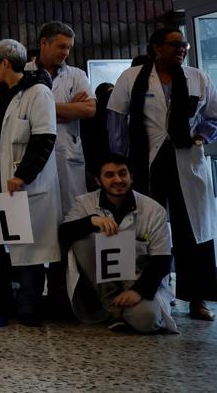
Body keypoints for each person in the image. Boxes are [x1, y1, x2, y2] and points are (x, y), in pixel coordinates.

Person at [108, 27, 217, 320]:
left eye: (185, 45)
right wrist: (119, 161)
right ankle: (153, 291)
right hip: (147, 161)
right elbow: (116, 120)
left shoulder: (198, 78)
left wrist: (202, 137)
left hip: (187, 161)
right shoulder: (132, 78)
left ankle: (197, 299)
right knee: (147, 227)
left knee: (193, 231)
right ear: (156, 47)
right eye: (174, 45)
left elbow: (213, 116)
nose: (181, 49)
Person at [0, 39, 59, 325]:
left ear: (5, 62)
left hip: (19, 178)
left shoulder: (38, 93)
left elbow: (44, 138)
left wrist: (24, 175)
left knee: (24, 241)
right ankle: (0, 299)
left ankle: (28, 305)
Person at [60, 158, 176, 333]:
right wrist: (91, 221)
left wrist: (138, 292)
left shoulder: (153, 210)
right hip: (101, 285)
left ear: (131, 177)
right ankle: (113, 308)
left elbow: (162, 259)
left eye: (123, 173)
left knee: (147, 321)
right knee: (81, 240)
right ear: (98, 180)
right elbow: (64, 233)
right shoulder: (85, 203)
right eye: (109, 175)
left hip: (139, 282)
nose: (118, 180)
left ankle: (124, 312)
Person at [26, 22, 95, 214]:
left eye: (69, 48)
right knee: (39, 212)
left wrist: (42, 110)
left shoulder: (76, 75)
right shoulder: (23, 74)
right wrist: (70, 108)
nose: (66, 52)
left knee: (72, 211)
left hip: (67, 152)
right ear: (44, 43)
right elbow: (21, 116)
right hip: (33, 152)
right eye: (61, 46)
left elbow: (89, 109)